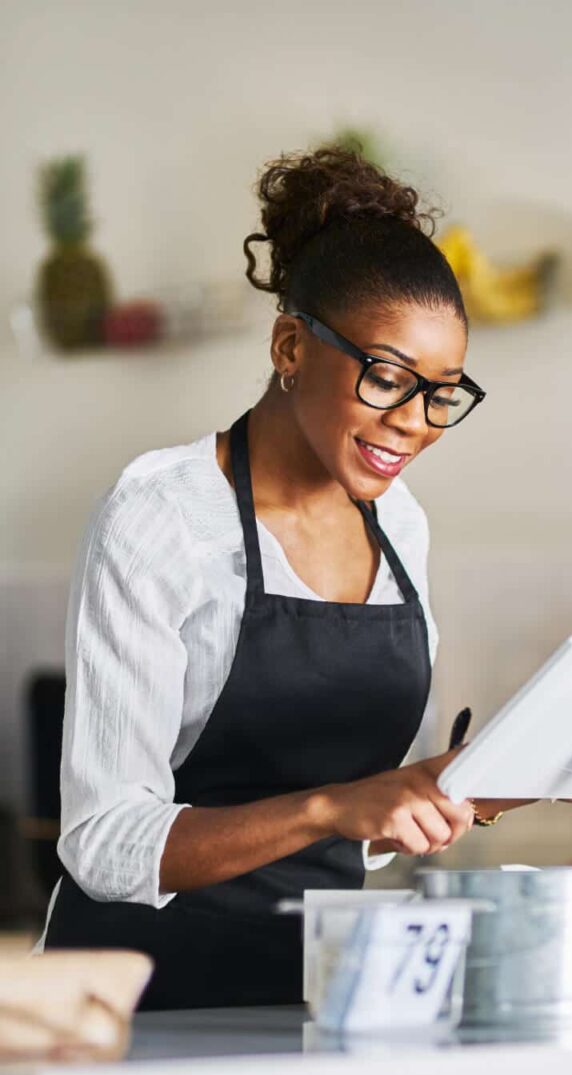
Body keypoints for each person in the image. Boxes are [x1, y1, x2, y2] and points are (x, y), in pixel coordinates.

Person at [41, 147, 527, 1009]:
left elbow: (360, 823)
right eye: (388, 378)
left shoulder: (400, 523)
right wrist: (331, 808)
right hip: (138, 1005)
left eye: (443, 393)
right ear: (291, 345)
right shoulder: (162, 518)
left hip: (320, 993)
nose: (415, 424)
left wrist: (441, 792)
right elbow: (103, 842)